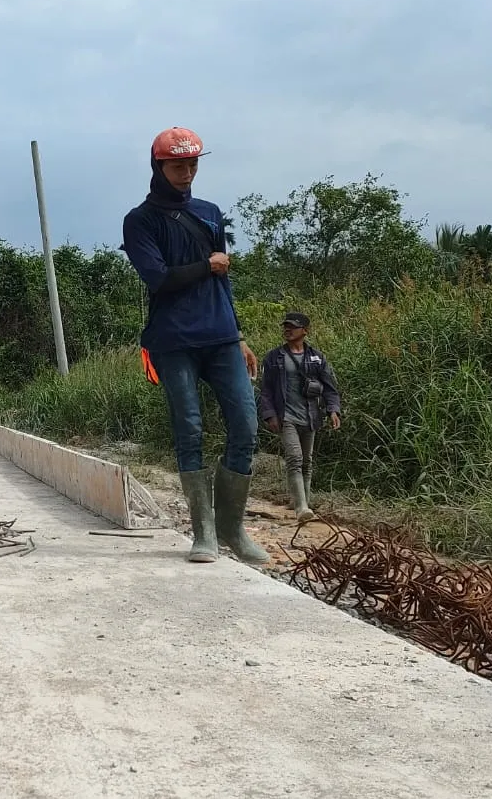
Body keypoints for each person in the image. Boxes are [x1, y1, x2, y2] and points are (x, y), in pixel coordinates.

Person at [120, 126, 269, 565]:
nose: (186, 173)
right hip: (173, 340)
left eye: (192, 164)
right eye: (178, 165)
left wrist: (239, 335)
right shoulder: (140, 220)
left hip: (221, 337)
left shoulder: (210, 213)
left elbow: (224, 282)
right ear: (158, 166)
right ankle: (203, 533)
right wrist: (207, 264)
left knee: (246, 425)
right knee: (189, 430)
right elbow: (159, 278)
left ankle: (232, 530)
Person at [258, 311, 342, 521]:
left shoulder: (317, 358)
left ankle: (304, 501)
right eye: (286, 326)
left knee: (307, 462)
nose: (288, 330)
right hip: (286, 416)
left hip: (311, 415)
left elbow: (330, 387)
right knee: (295, 458)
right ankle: (301, 508)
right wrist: (269, 414)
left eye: (293, 327)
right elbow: (266, 390)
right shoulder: (274, 358)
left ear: (305, 331)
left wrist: (333, 410)